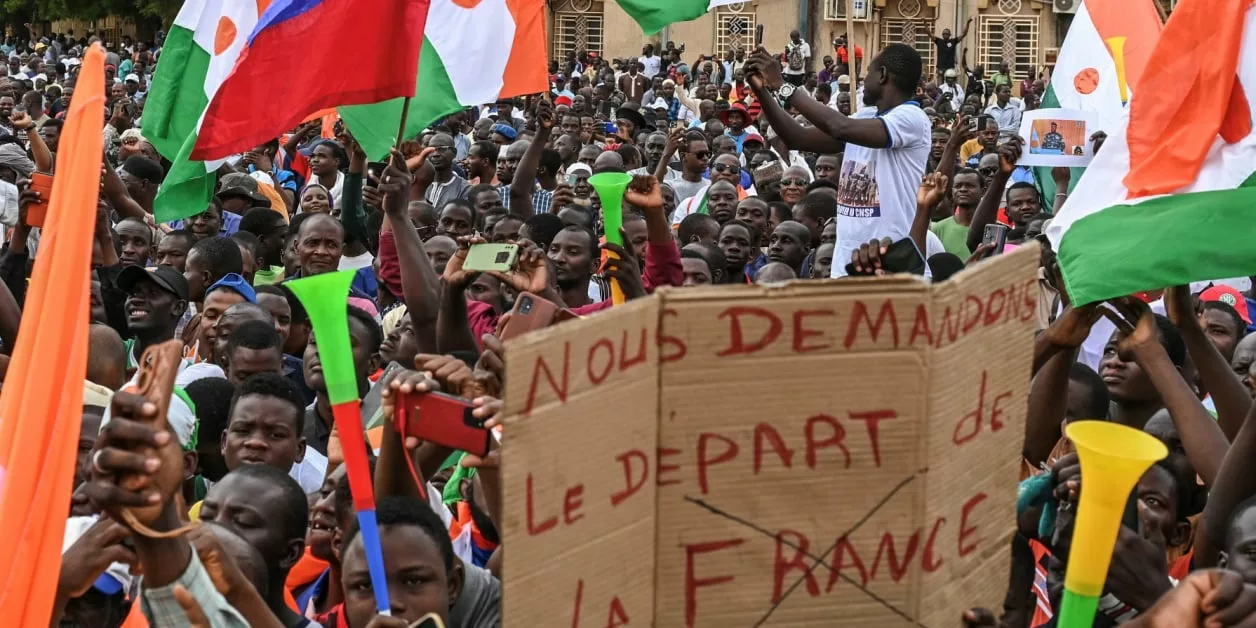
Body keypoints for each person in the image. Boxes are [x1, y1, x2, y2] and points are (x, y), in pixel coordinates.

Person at [746, 43, 929, 277]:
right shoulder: (865, 117)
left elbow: (839, 126)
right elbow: (797, 137)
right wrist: (762, 91)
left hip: (889, 265)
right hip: (846, 266)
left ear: (882, 75)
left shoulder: (911, 118)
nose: (863, 80)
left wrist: (782, 85)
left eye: (869, 72)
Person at [117, 265, 189, 372]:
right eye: (133, 293)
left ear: (178, 307)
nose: (136, 300)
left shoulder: (192, 376)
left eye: (153, 293)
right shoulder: (109, 353)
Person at [930, 167, 983, 256]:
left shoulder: (992, 227)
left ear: (983, 190)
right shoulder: (938, 229)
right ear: (952, 191)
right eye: (958, 186)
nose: (963, 189)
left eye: (969, 185)